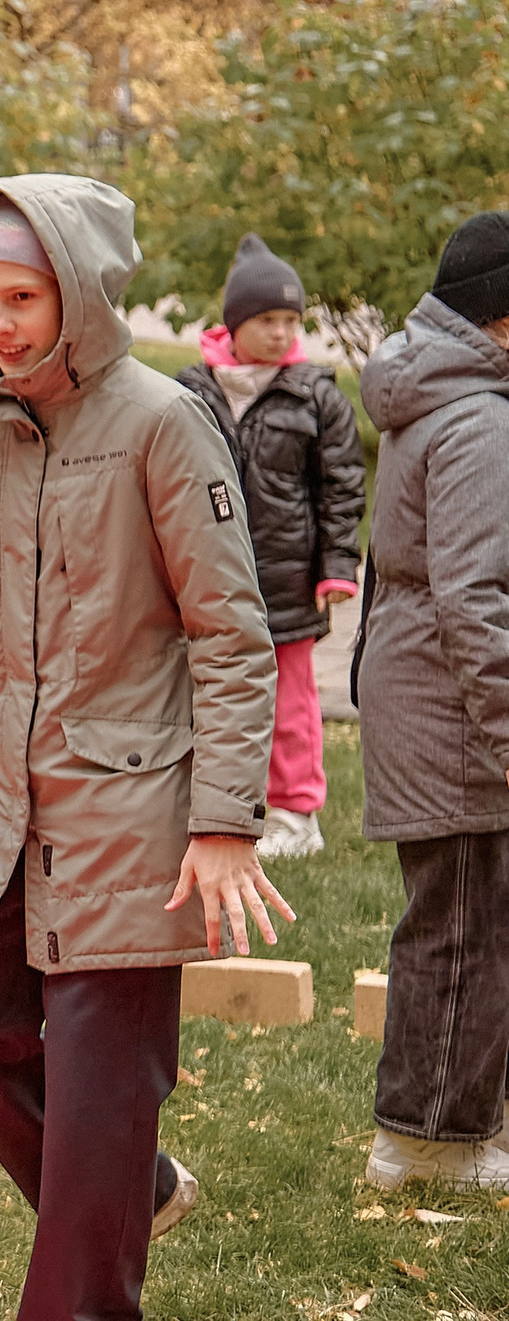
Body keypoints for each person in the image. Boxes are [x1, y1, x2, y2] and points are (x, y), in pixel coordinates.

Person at [0, 179, 289, 1321]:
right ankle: (129, 1189)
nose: (1, 324)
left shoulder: (162, 421)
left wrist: (223, 821)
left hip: (132, 808)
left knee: (100, 1096)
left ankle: (94, 1234)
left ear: (79, 288)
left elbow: (230, 635)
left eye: (22, 296)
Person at [351, 210, 509, 1191]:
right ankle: (424, 1144)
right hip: (452, 712)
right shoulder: (479, 418)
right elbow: (472, 599)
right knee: (459, 935)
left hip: (429, 692)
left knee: (468, 925)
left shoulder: (441, 392)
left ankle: (463, 1127)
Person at [175, 234, 364, 862]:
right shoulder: (190, 392)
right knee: (206, 696)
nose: (282, 332)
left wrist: (337, 567)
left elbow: (341, 488)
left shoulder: (317, 397)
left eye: (291, 320)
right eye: (267, 320)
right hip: (206, 581)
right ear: (234, 324)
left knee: (290, 706)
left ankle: (296, 813)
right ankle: (216, 806)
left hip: (287, 583)